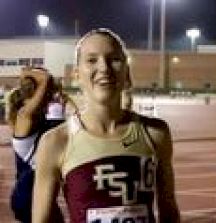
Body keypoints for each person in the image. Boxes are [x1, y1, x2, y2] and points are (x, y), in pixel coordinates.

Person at [32, 28, 180, 223]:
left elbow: (169, 210)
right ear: (77, 74)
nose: (104, 68)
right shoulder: (55, 142)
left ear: (126, 73)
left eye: (114, 59)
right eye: (92, 60)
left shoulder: (155, 133)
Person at [5, 67, 64, 223]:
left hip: (41, 195)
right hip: (28, 197)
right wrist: (30, 74)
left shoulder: (42, 123)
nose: (48, 97)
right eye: (45, 94)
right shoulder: (24, 117)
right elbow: (44, 78)